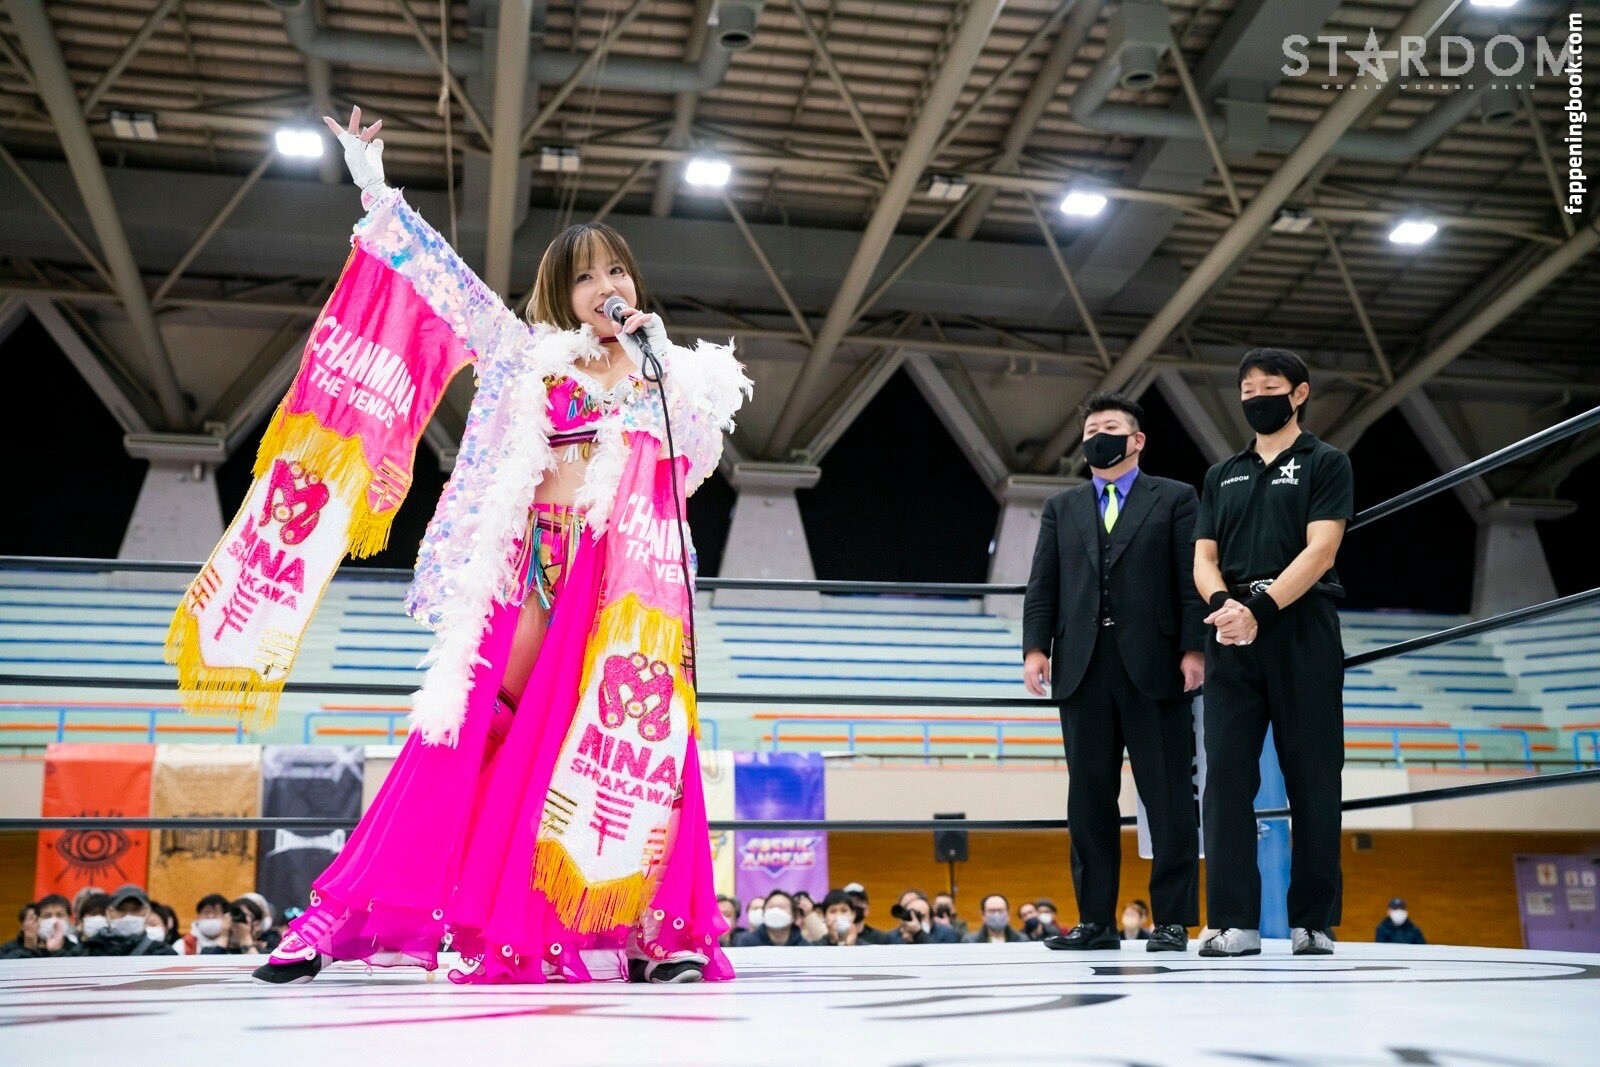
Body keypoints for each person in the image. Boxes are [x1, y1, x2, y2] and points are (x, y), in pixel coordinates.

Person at [252, 108, 750, 988]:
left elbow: (696, 462)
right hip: (526, 568)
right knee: (457, 733)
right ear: (560, 294)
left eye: (616, 270)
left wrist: (660, 361)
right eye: (585, 275)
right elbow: (446, 285)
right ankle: (335, 919)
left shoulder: (669, 372)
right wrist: (376, 190)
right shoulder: (529, 357)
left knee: (624, 748)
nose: (606, 284)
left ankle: (655, 933)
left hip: (622, 583)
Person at [1024, 391, 1205, 955]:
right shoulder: (1062, 507)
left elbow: (1190, 579)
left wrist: (1194, 649)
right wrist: (1035, 648)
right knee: (1088, 801)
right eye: (1090, 431)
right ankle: (1095, 921)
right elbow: (1043, 583)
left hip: (1156, 666)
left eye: (1109, 428)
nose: (1097, 438)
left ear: (1137, 440)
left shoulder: (1175, 498)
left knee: (1169, 797)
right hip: (1082, 668)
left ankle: (1171, 921)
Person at [1193, 349, 1353, 959]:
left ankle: (1313, 920)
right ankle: (1234, 922)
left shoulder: (1326, 462)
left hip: (1301, 627)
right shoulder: (1222, 473)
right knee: (1226, 779)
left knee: (1314, 775)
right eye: (1248, 388)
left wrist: (1259, 609)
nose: (1256, 396)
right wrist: (1226, 607)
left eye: (1270, 387)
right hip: (1230, 633)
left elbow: (1322, 550)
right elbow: (1204, 557)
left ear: (1299, 393)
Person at [81, 885, 177, 957]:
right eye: (121, 909)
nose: (128, 915)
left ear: (147, 912)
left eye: (136, 910)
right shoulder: (87, 951)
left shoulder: (163, 954)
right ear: (109, 912)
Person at [1, 895, 81, 959]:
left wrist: (57, 951)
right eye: (47, 916)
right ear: (37, 920)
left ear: (69, 919)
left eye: (59, 915)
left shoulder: (76, 950)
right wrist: (29, 948)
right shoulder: (11, 948)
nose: (54, 921)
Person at [732, 890, 805, 947]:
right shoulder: (747, 942)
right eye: (771, 907)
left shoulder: (805, 947)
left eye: (782, 907)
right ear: (763, 914)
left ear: (794, 916)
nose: (776, 911)